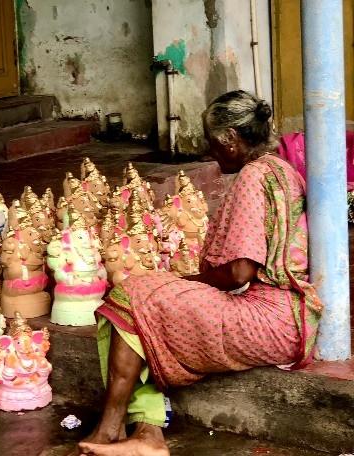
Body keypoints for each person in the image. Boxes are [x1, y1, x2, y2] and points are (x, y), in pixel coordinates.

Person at [73, 90, 323, 456]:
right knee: (142, 296)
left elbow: (239, 271)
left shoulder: (254, 176)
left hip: (268, 320)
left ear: (231, 140)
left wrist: (184, 282)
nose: (211, 153)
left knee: (130, 296)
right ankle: (144, 433)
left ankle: (116, 430)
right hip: (291, 317)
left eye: (212, 143)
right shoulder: (282, 169)